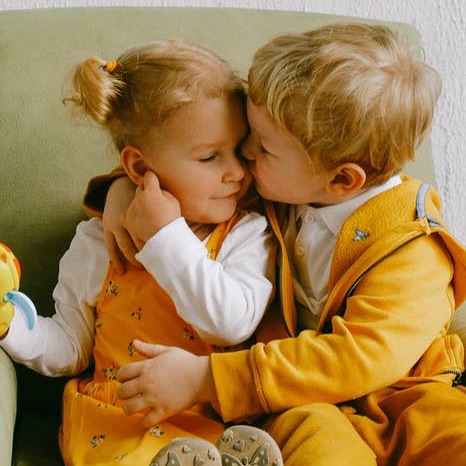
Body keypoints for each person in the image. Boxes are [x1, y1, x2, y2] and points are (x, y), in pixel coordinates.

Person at [88, 23, 466, 466]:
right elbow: (183, 180)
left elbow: (356, 359)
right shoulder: (280, 189)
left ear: (342, 180)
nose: (244, 154)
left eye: (263, 147)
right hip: (299, 405)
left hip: (408, 398)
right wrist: (124, 191)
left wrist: (209, 378)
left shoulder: (414, 248)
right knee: (319, 445)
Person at [0, 39, 283, 466]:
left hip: (216, 417)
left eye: (240, 148)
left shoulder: (247, 232)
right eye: (209, 157)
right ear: (137, 168)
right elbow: (71, 347)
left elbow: (229, 324)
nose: (237, 172)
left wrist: (165, 235)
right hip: (118, 418)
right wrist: (11, 327)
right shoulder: (98, 240)